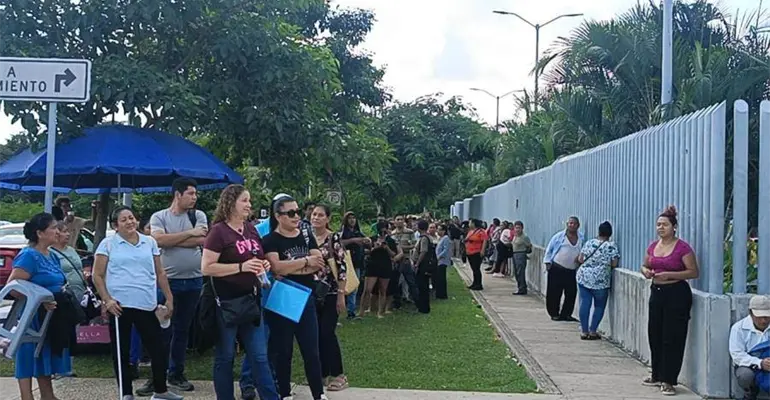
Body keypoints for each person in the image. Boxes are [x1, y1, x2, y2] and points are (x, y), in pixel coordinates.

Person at [92, 206, 182, 400]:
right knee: (121, 351)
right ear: (115, 225)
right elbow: (97, 275)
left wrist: (169, 297)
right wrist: (107, 299)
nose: (129, 222)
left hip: (146, 303)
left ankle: (160, 390)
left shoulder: (149, 242)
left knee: (157, 348)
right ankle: (125, 392)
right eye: (123, 220)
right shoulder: (108, 244)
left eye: (131, 218)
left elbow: (160, 272)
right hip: (120, 305)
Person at [200, 184, 279, 400]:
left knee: (260, 356)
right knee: (225, 357)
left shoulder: (251, 229)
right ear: (230, 202)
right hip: (226, 304)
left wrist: (264, 265)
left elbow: (257, 256)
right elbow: (206, 267)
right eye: (244, 200)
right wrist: (241, 267)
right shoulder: (218, 232)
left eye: (249, 200)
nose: (249, 204)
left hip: (251, 301)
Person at [262, 195, 328, 400]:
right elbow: (277, 267)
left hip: (306, 297)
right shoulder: (270, 240)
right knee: (284, 351)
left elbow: (318, 262)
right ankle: (284, 393)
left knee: (311, 350)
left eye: (298, 211)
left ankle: (318, 394)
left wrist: (296, 265)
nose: (296, 216)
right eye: (290, 213)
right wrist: (305, 262)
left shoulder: (306, 234)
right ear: (278, 215)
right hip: (283, 297)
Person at [148, 177, 207, 393]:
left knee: (182, 329)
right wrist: (189, 234)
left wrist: (175, 238)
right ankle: (157, 375)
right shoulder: (159, 217)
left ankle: (176, 372)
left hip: (193, 279)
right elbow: (158, 241)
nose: (194, 198)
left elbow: (201, 240)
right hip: (167, 281)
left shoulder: (198, 215)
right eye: (190, 194)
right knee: (161, 328)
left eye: (195, 194)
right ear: (177, 194)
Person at [8, 213, 71, 400]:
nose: (57, 232)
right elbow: (14, 288)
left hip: (52, 314)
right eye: (53, 228)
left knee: (46, 352)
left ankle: (47, 394)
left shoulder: (53, 256)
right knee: (27, 353)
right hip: (32, 315)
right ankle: (26, 396)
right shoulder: (29, 256)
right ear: (40, 233)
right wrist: (40, 299)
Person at [640, 205, 699, 396]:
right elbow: (644, 265)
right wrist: (646, 272)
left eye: (664, 225)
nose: (660, 228)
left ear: (674, 227)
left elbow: (693, 272)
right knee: (655, 333)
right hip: (657, 291)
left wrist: (671, 275)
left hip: (676, 293)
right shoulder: (652, 246)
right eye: (658, 225)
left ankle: (669, 379)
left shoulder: (682, 247)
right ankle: (656, 373)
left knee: (672, 336)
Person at [310, 205, 349, 392]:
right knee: (316, 334)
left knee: (327, 333)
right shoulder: (306, 237)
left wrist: (341, 295)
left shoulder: (333, 238)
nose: (316, 217)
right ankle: (323, 373)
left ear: (327, 218)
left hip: (331, 292)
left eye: (320, 215)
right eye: (314, 214)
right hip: (312, 293)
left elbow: (342, 268)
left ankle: (339, 374)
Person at [576, 221, 619, 340]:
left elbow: (580, 259)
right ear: (610, 233)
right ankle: (593, 331)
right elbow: (614, 263)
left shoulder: (589, 243)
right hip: (601, 280)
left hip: (584, 277)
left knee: (585, 303)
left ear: (598, 231)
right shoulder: (611, 246)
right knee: (599, 306)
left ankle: (584, 331)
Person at [729, 295, 770, 400]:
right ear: (751, 313)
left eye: (767, 317)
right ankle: (750, 393)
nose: (764, 321)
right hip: (749, 366)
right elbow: (737, 355)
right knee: (745, 375)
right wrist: (760, 363)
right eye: (760, 317)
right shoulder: (738, 328)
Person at [543, 216, 584, 322]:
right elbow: (549, 249)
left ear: (578, 226)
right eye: (570, 223)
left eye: (574, 223)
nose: (572, 225)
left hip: (571, 270)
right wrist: (548, 263)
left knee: (571, 292)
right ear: (567, 224)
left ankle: (566, 314)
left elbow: (583, 251)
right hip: (557, 268)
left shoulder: (581, 238)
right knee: (554, 292)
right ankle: (554, 313)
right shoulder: (559, 237)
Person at [361, 221, 400, 318]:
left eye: (385, 229)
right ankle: (361, 311)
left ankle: (380, 312)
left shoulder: (390, 240)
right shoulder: (372, 239)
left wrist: (386, 248)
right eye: (381, 229)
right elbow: (365, 251)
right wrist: (374, 248)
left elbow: (393, 254)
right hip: (372, 265)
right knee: (367, 289)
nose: (383, 231)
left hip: (385, 266)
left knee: (383, 290)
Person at [339, 212, 369, 320]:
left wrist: (366, 241)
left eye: (354, 218)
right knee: (343, 287)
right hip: (346, 261)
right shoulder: (343, 232)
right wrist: (352, 240)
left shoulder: (358, 232)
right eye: (350, 218)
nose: (352, 220)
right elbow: (339, 243)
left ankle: (351, 311)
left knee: (354, 286)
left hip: (357, 262)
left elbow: (365, 242)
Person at [391, 215, 418, 308]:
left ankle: (417, 300)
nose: (399, 221)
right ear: (394, 222)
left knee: (411, 281)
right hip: (396, 261)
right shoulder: (392, 234)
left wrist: (401, 248)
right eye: (397, 219)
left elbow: (414, 245)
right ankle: (397, 302)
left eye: (401, 219)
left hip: (406, 259)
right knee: (396, 282)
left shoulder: (409, 232)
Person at [412, 220, 435, 314]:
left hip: (423, 266)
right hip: (424, 265)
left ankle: (423, 308)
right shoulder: (426, 237)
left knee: (422, 287)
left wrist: (417, 263)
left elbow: (423, 251)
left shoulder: (424, 238)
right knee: (422, 286)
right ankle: (423, 307)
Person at [464, 219, 488, 291]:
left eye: (470, 223)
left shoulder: (481, 231)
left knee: (476, 268)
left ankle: (478, 284)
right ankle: (474, 283)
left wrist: (482, 250)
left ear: (474, 223)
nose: (469, 224)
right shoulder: (470, 231)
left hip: (477, 252)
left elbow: (485, 240)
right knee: (473, 269)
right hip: (469, 252)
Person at [510, 221, 532, 295]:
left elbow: (529, 246)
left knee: (520, 272)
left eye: (519, 228)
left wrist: (525, 252)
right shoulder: (515, 236)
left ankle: (522, 289)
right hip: (515, 254)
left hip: (521, 254)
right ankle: (520, 287)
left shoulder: (524, 237)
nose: (517, 229)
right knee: (516, 273)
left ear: (522, 228)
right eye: (516, 228)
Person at [435, 224, 451, 299]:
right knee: (439, 278)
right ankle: (439, 293)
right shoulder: (440, 238)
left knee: (442, 278)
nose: (437, 231)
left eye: (439, 229)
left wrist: (439, 256)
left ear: (443, 231)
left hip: (442, 261)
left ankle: (442, 294)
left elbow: (445, 249)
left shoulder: (446, 238)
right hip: (439, 261)